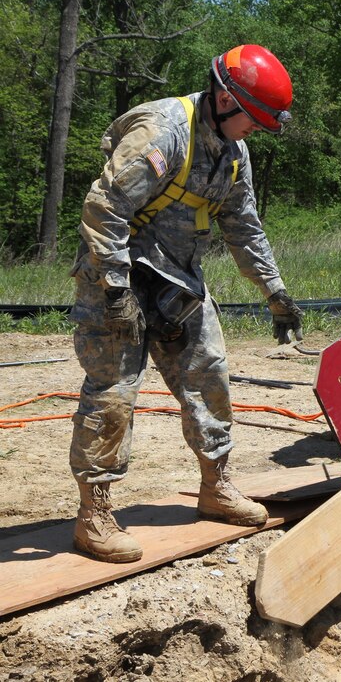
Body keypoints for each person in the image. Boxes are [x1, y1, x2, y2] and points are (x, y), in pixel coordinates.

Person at [68, 44, 304, 563]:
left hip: (176, 280)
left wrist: (275, 292)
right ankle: (94, 515)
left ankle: (215, 487)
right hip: (116, 275)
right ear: (224, 98)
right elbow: (103, 206)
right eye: (254, 119)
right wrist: (113, 289)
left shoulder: (234, 154)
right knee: (114, 391)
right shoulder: (163, 131)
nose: (257, 130)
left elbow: (245, 228)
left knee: (209, 375)